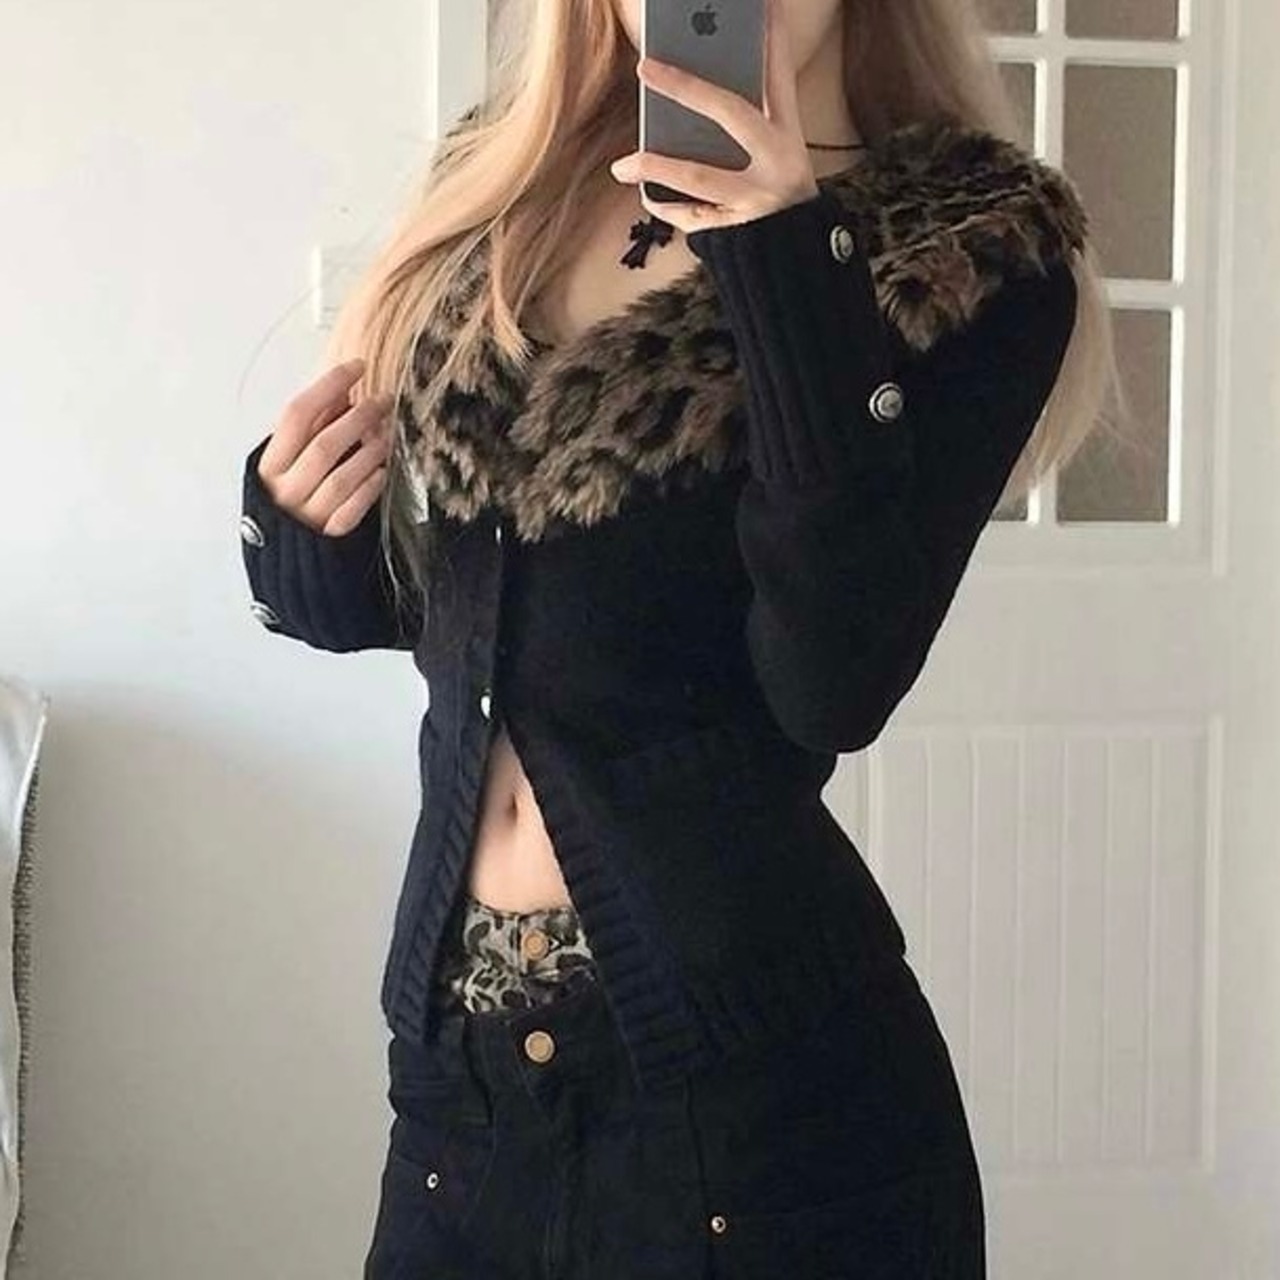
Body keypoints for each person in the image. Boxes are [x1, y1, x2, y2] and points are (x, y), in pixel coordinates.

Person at [238, 0, 1118, 1275]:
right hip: (458, 1090)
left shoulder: (966, 249)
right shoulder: (508, 186)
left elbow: (831, 681)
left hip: (760, 1120)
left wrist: (780, 258)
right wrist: (298, 534)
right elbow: (487, 622)